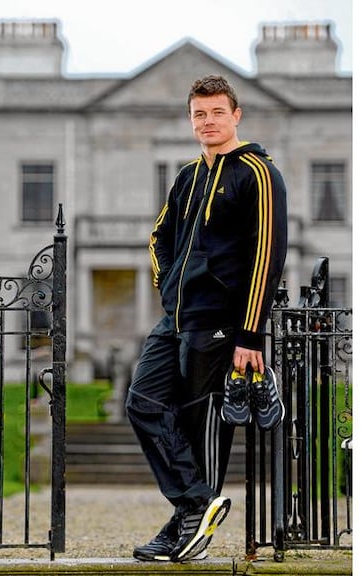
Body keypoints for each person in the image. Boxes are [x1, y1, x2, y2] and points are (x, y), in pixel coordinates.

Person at [126, 74, 288, 563]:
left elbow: (268, 253)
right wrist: (169, 285)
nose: (208, 121)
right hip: (177, 316)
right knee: (143, 402)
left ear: (235, 115)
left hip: (222, 322)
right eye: (200, 113)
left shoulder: (257, 172)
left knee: (203, 421)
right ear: (190, 119)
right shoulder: (188, 176)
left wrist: (249, 334)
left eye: (217, 112)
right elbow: (159, 237)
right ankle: (195, 502)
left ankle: (189, 526)